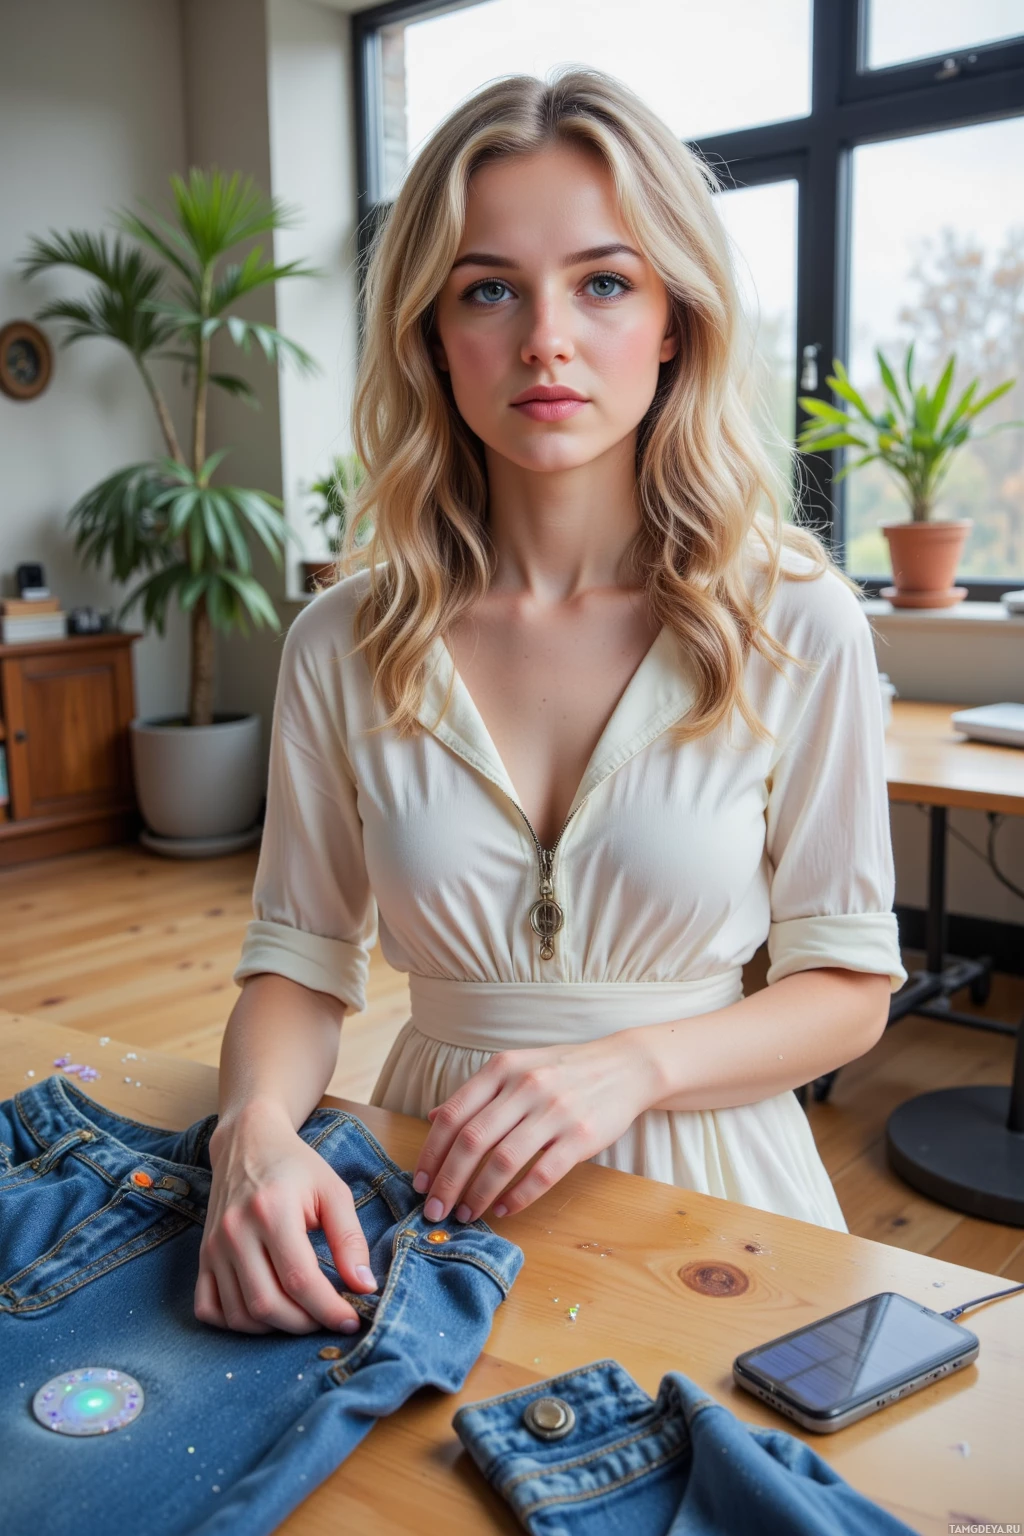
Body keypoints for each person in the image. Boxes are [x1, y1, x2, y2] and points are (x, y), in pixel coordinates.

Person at [195, 69, 907, 1337]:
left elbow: (847, 985)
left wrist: (633, 1065)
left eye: (603, 281)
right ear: (430, 330)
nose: (545, 340)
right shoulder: (340, 643)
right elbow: (302, 965)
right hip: (436, 1187)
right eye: (488, 289)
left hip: (719, 1195)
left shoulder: (794, 619)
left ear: (675, 319)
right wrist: (248, 1134)